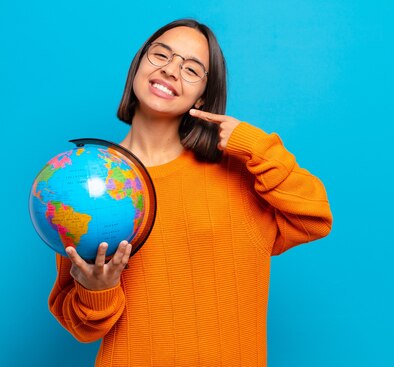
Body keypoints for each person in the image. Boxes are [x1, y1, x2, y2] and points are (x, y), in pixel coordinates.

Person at [48, 18, 332, 366]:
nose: (170, 70)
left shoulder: (240, 174)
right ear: (139, 64)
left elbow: (314, 217)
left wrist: (255, 146)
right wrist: (97, 288)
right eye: (161, 55)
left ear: (204, 94)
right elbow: (82, 326)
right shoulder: (88, 182)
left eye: (192, 69)